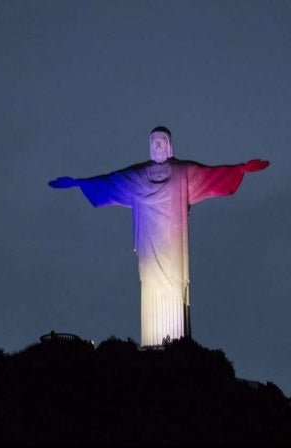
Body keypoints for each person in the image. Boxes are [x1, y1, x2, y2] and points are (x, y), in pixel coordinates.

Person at [48, 126, 269, 347]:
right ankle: (153, 346)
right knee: (150, 286)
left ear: (170, 145)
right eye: (154, 141)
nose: (158, 145)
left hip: (173, 247)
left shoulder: (183, 172)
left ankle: (177, 346)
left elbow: (212, 176)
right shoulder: (138, 175)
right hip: (149, 246)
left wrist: (241, 169)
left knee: (174, 286)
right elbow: (111, 182)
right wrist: (80, 183)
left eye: (162, 140)